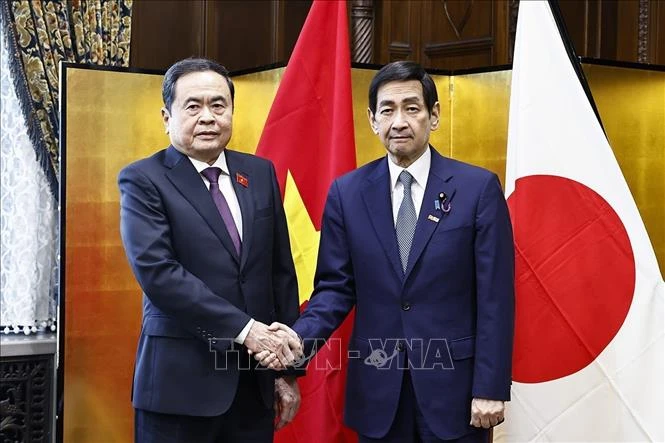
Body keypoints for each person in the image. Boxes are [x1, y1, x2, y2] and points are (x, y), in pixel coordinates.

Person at [259, 61, 515, 442]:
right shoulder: (347, 193)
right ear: (372, 119)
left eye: (412, 108)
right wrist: (295, 345)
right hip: (378, 393)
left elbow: (496, 298)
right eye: (387, 110)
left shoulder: (477, 189)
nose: (399, 121)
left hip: (457, 394)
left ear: (434, 116)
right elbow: (334, 289)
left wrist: (490, 387)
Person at [118, 57, 303, 443]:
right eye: (193, 106)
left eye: (218, 105)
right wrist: (246, 330)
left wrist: (284, 371)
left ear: (232, 111)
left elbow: (279, 272)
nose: (208, 117)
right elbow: (159, 274)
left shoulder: (259, 173)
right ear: (167, 116)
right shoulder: (143, 179)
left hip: (253, 389)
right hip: (179, 390)